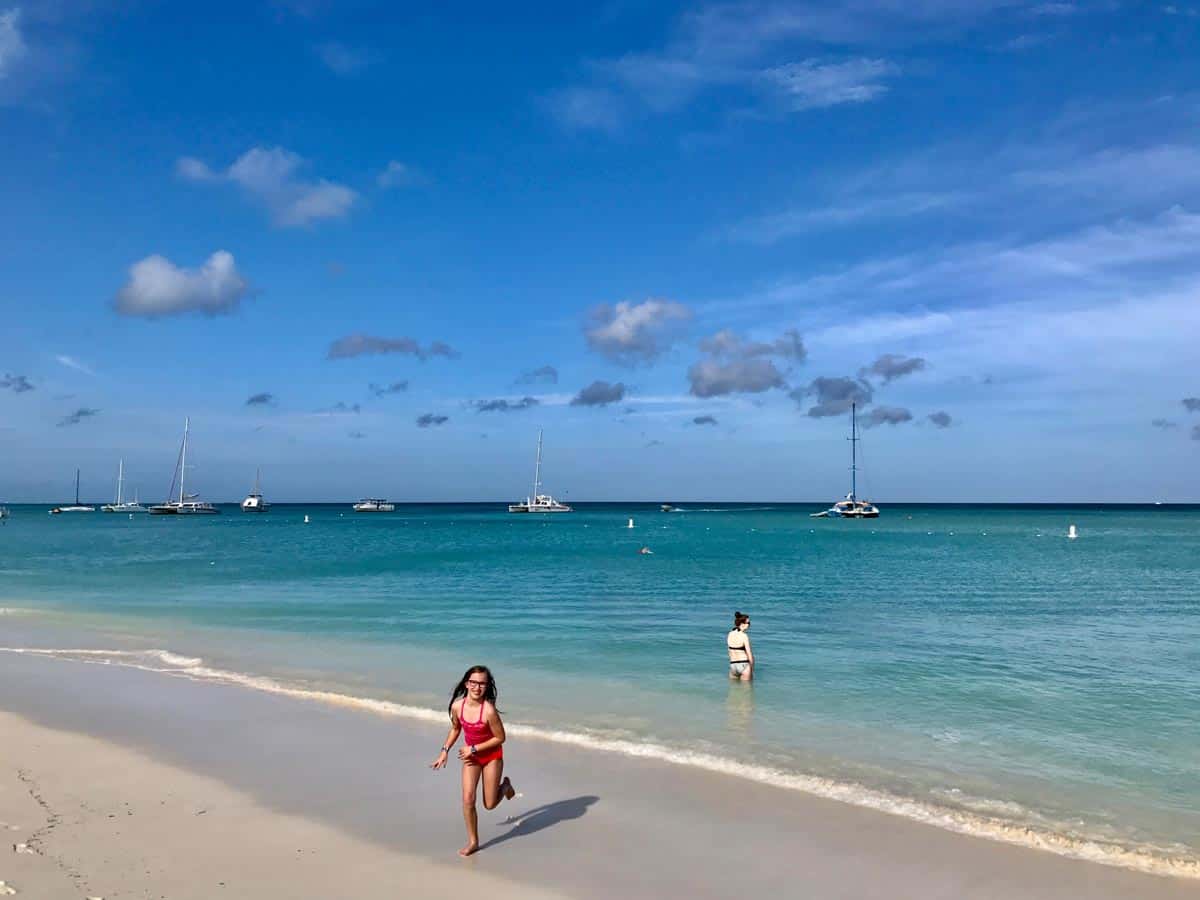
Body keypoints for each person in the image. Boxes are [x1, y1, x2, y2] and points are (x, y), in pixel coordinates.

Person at [430, 665, 517, 856]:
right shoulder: (457, 707)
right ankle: (473, 842)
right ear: (466, 683)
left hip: (491, 756)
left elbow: (500, 738)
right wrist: (444, 751)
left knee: (490, 804)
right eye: (473, 682)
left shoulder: (488, 711)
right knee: (468, 799)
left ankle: (505, 787)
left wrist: (474, 748)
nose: (477, 687)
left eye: (482, 684)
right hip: (472, 758)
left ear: (487, 686)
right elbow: (455, 729)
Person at [727, 611, 753, 681]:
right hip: (744, 665)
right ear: (742, 624)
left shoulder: (730, 634)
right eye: (748, 623)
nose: (749, 625)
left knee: (733, 690)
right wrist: (752, 668)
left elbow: (729, 652)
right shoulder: (744, 636)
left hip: (733, 666)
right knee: (746, 690)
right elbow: (749, 653)